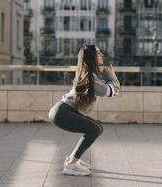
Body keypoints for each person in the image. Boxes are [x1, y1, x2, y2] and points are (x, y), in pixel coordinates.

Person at [48, 44, 120, 176]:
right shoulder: (90, 78)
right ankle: (71, 165)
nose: (101, 55)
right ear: (92, 57)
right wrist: (111, 76)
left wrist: (106, 78)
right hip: (63, 112)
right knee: (94, 130)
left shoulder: (91, 75)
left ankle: (72, 160)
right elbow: (111, 92)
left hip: (64, 111)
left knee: (97, 128)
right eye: (98, 53)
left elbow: (110, 90)